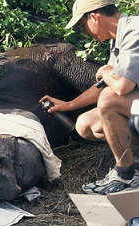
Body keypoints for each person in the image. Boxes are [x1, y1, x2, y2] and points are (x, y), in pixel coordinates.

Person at [40, 0, 139, 195]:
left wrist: (107, 70)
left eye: (82, 26)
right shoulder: (118, 38)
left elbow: (120, 86)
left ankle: (126, 175)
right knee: (85, 124)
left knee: (109, 101)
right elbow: (105, 84)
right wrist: (69, 105)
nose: (84, 32)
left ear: (94, 17)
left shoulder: (135, 31)